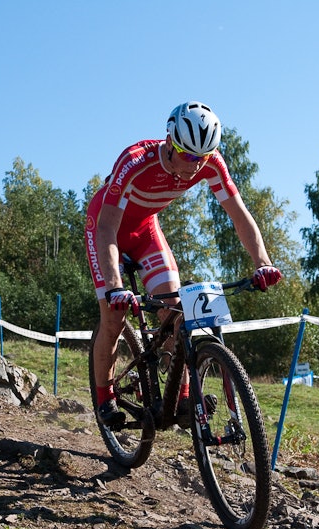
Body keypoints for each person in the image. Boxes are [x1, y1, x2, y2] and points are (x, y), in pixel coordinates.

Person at [85, 101, 282, 427]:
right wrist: (115, 287)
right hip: (106, 230)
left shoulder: (210, 163)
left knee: (177, 311)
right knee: (114, 319)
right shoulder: (135, 160)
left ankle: (185, 397)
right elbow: (106, 227)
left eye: (202, 157)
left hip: (145, 230)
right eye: (187, 155)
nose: (194, 165)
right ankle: (104, 397)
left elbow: (239, 215)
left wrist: (263, 263)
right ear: (169, 141)